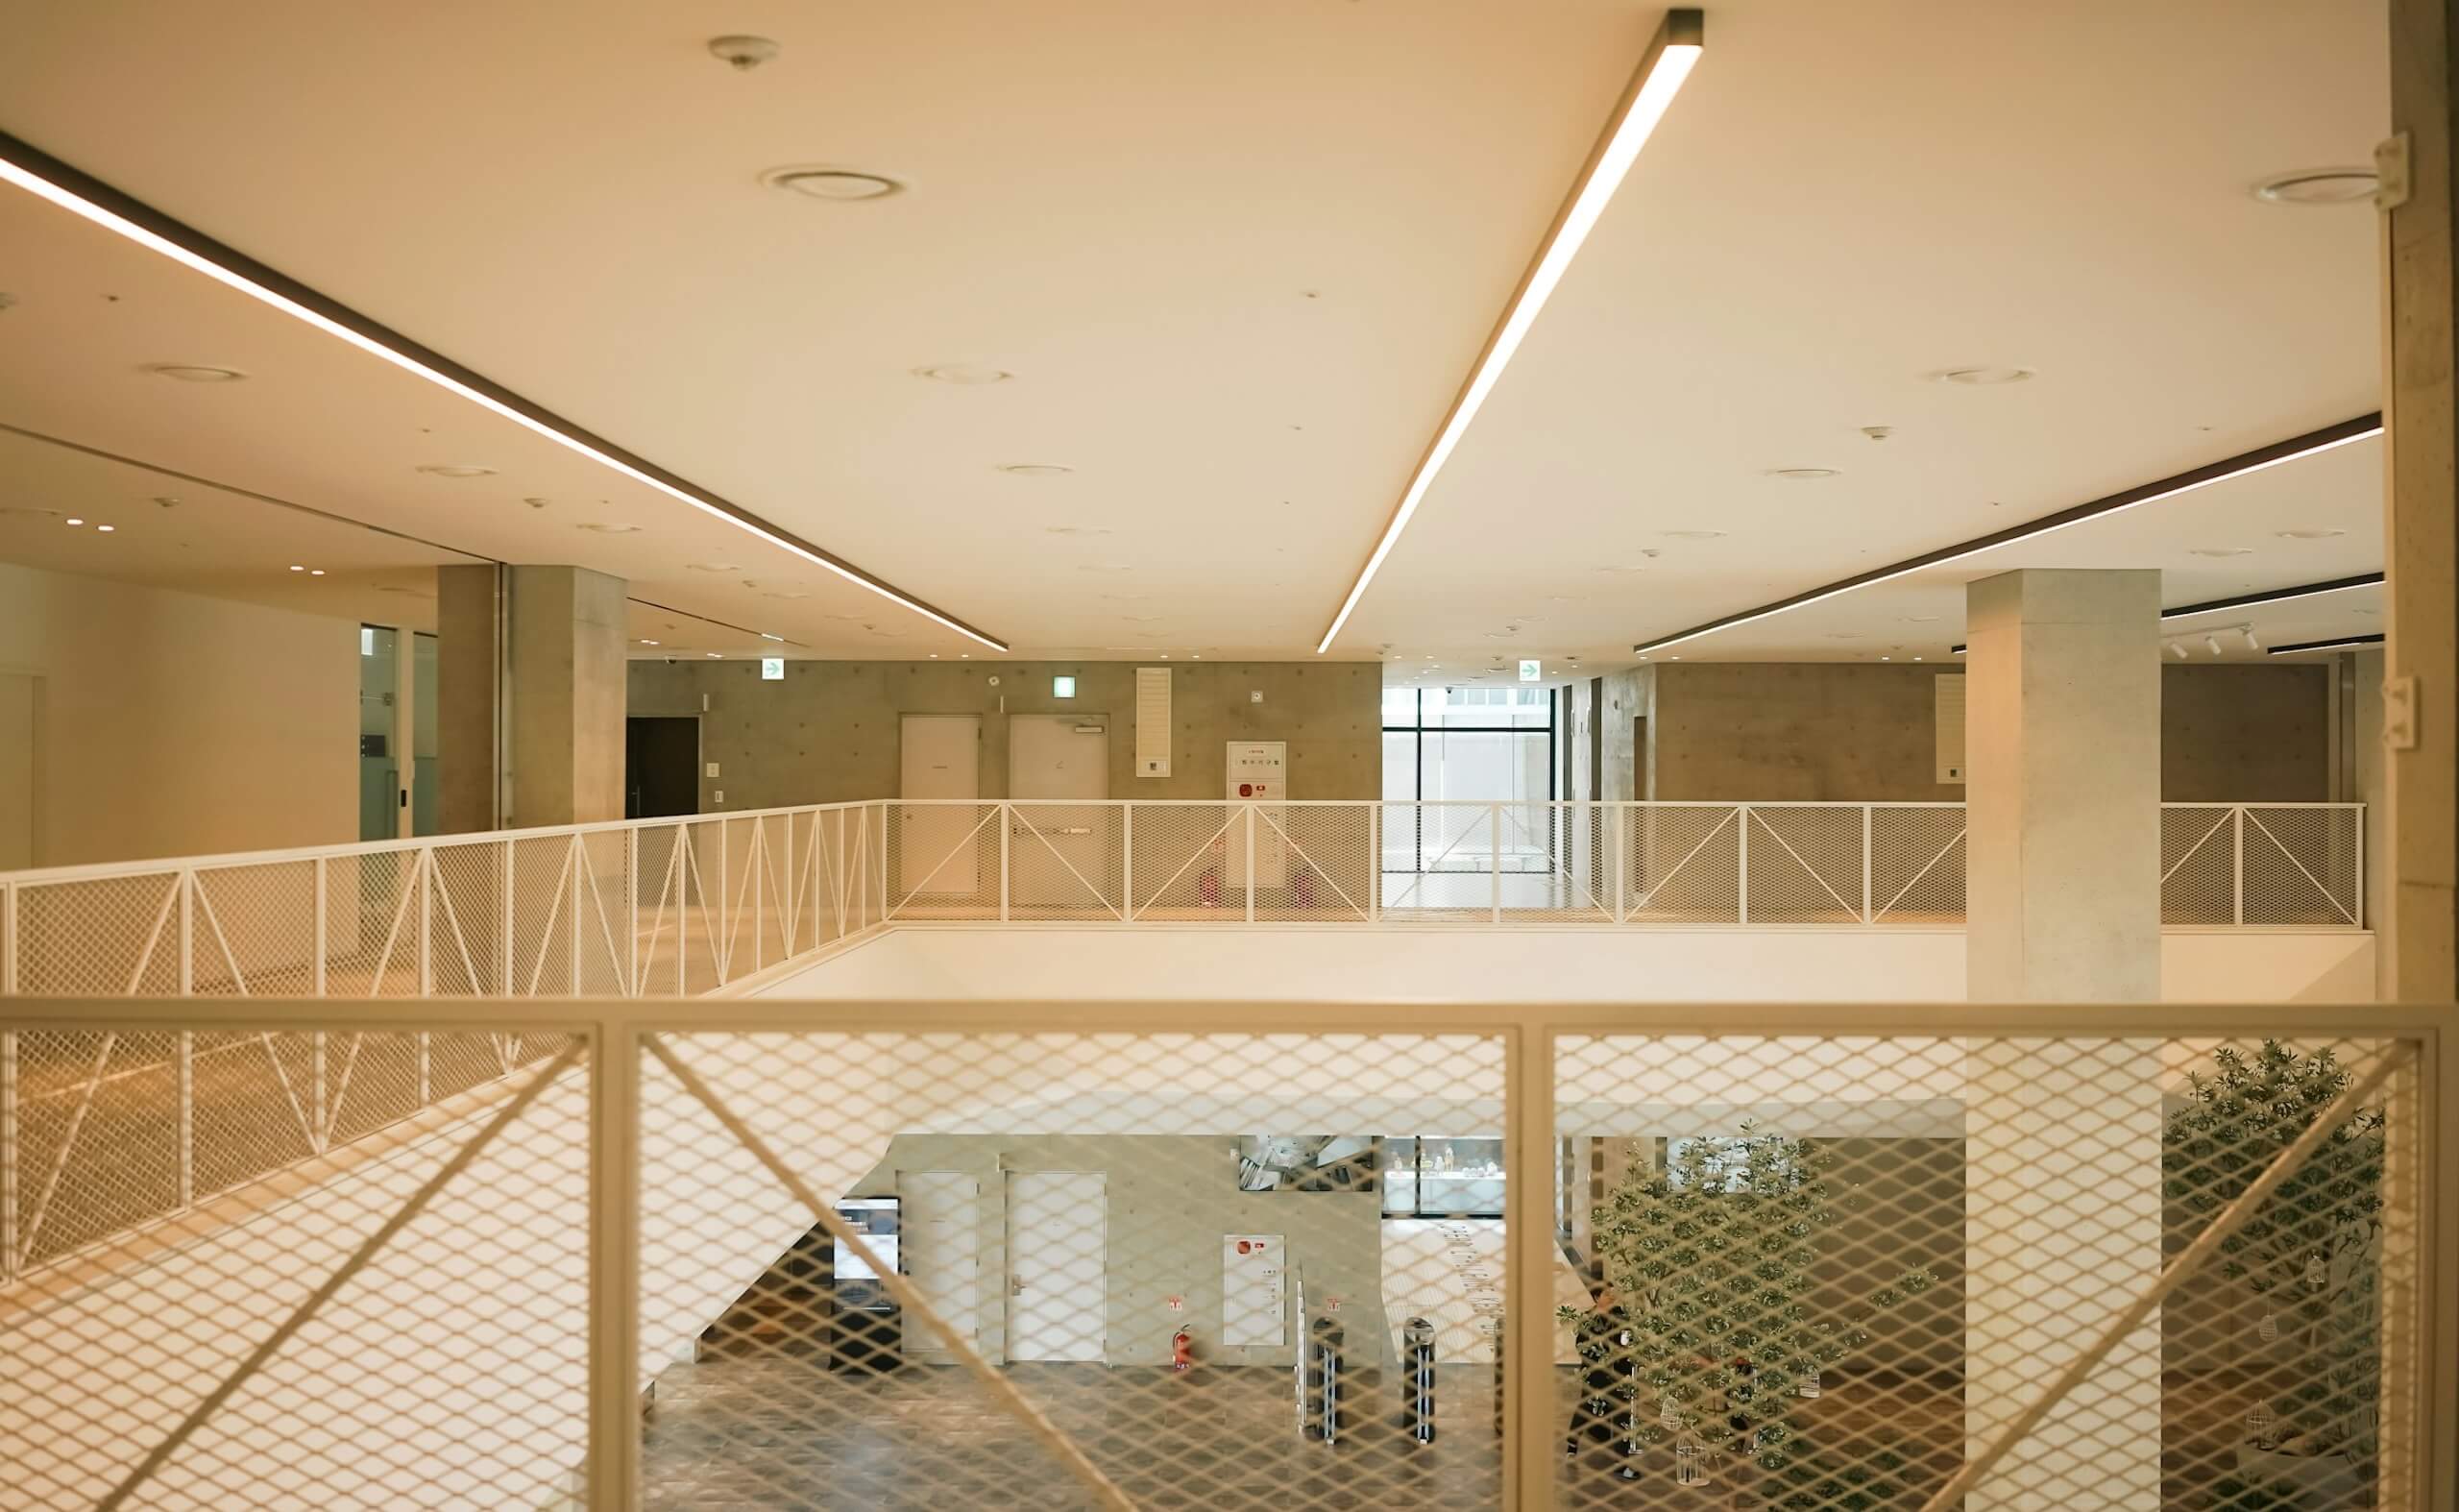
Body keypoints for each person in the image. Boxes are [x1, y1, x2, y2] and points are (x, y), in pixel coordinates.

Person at [1564, 1281, 1639, 1479]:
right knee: (1587, 1409)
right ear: (1597, 1298)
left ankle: (1622, 1464)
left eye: (1613, 1292)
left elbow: (1628, 1341)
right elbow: (1582, 1346)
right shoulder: (1588, 1319)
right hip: (1595, 1374)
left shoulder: (1621, 1316)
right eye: (1607, 1293)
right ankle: (1572, 1443)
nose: (1612, 1296)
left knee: (1622, 1413)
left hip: (1618, 1373)